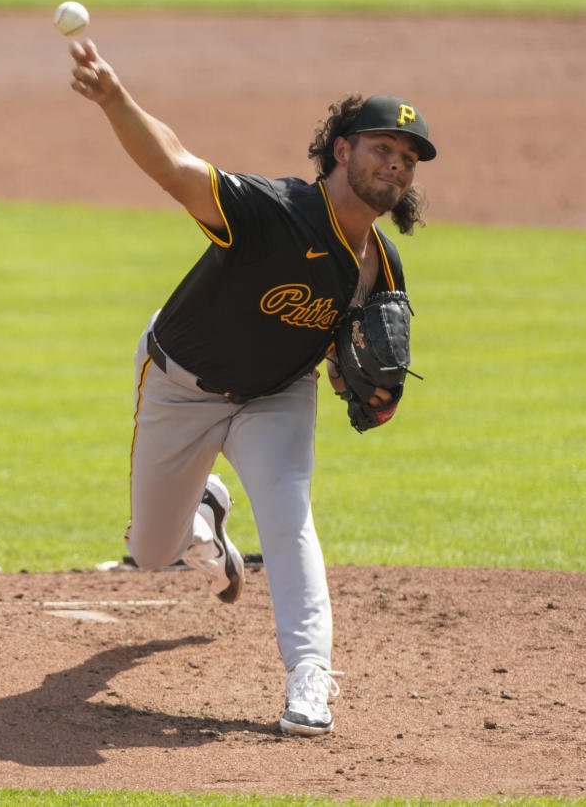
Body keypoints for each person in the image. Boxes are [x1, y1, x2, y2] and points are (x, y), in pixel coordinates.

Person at [68, 38, 436, 736]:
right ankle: (204, 523)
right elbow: (176, 167)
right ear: (342, 150)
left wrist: (345, 368)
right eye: (384, 147)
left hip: (275, 396)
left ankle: (309, 680)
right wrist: (116, 99)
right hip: (181, 384)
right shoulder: (272, 210)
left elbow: (354, 349)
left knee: (288, 511)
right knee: (151, 551)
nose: (396, 163)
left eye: (408, 157)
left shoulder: (379, 266)